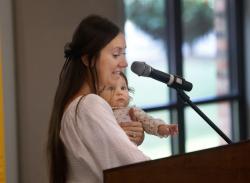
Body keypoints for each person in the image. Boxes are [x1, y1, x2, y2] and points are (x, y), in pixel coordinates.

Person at [47, 15, 150, 183]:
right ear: (88, 59)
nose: (124, 63)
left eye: (124, 53)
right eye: (116, 54)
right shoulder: (89, 105)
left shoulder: (75, 106)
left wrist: (123, 141)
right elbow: (140, 170)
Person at [99, 72, 178, 139]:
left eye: (123, 88)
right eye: (111, 88)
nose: (119, 92)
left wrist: (162, 128)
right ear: (98, 94)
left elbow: (148, 121)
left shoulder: (131, 111)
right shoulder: (99, 111)